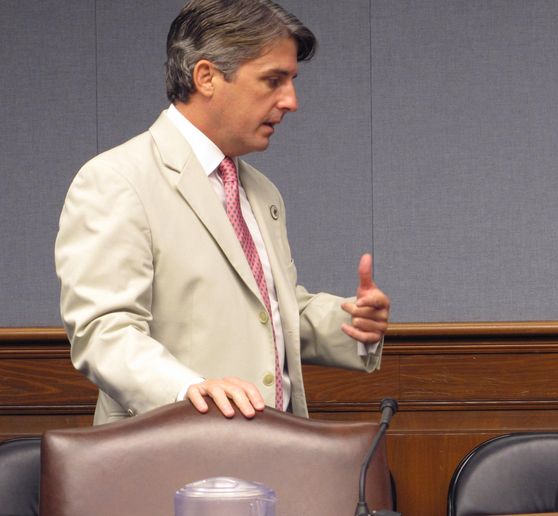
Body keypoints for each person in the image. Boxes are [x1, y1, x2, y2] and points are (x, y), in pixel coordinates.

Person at [55, 0, 389, 425]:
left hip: (276, 451)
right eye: (273, 80)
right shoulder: (116, 179)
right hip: (170, 457)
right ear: (206, 76)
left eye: (292, 81)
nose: (291, 101)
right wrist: (186, 390)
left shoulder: (261, 191)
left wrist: (352, 325)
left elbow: (266, 311)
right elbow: (103, 333)